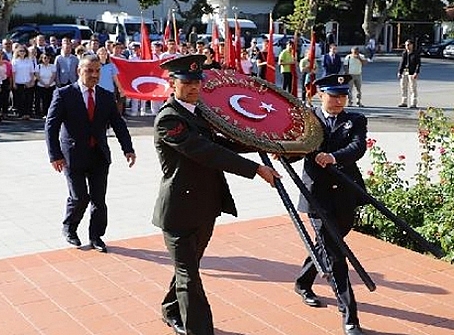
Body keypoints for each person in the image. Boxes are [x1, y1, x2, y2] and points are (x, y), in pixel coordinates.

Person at [153, 54, 280, 335]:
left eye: (197, 82)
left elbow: (221, 143)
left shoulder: (198, 113)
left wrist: (260, 141)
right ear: (172, 83)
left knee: (189, 267)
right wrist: (256, 169)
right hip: (179, 211)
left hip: (205, 207)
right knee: (189, 276)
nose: (194, 88)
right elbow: (207, 153)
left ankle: (170, 309)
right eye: (186, 82)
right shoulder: (169, 120)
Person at [291, 73, 368, 335]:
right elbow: (293, 149)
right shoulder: (307, 119)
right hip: (317, 195)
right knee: (336, 254)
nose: (338, 101)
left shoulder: (355, 120)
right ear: (320, 94)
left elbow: (358, 147)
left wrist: (333, 157)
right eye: (333, 96)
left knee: (330, 242)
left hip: (346, 192)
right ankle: (350, 316)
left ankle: (303, 282)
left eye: (342, 96)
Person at [45, 54, 136, 253]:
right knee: (79, 197)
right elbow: (51, 127)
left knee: (98, 200)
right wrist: (55, 155)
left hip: (99, 156)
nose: (94, 75)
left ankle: (96, 237)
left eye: (97, 71)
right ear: (79, 71)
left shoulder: (105, 95)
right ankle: (69, 227)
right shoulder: (64, 94)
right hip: (73, 156)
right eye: (89, 71)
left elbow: (118, 124)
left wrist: (128, 149)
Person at [397, 39, 421, 108]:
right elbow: (402, 63)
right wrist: (399, 72)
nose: (407, 46)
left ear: (412, 45)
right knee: (403, 87)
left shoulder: (415, 53)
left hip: (412, 72)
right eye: (406, 45)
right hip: (404, 71)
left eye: (408, 45)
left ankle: (413, 103)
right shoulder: (404, 53)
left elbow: (418, 64)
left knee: (413, 88)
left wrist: (416, 72)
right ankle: (404, 102)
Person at [34, 53, 57, 118]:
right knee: (43, 100)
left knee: (50, 100)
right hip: (41, 85)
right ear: (42, 59)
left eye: (48, 58)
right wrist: (44, 84)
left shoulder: (53, 66)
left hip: (51, 85)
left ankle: (51, 113)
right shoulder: (38, 66)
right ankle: (44, 113)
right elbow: (37, 76)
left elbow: (53, 76)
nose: (46, 59)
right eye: (45, 58)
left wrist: (49, 84)